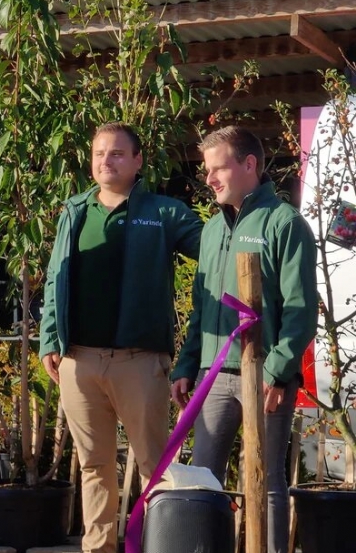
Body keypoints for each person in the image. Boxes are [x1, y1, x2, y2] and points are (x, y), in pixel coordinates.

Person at [39, 122, 203, 553]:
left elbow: (215, 248)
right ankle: (99, 548)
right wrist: (50, 339)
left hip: (140, 360)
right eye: (98, 154)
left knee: (154, 467)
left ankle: (161, 545)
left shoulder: (162, 212)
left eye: (115, 154)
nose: (104, 161)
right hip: (79, 360)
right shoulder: (74, 210)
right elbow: (57, 277)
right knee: (93, 466)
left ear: (137, 161)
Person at [170, 125, 318, 553]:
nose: (209, 179)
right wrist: (186, 366)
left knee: (268, 481)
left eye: (217, 169)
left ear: (249, 164)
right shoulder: (212, 231)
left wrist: (277, 370)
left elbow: (300, 309)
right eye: (207, 171)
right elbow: (202, 308)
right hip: (213, 377)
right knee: (203, 479)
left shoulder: (284, 222)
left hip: (266, 380)